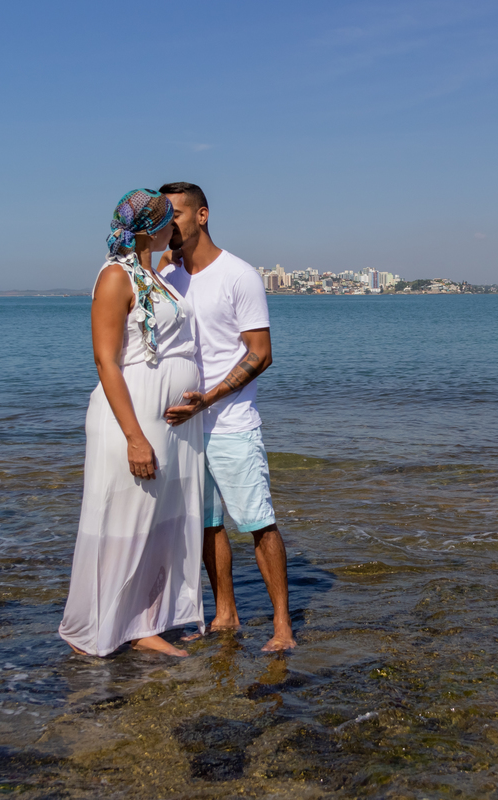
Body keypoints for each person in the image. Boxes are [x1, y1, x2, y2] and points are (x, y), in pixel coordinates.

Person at [58, 189, 205, 658]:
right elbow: (106, 362)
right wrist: (135, 437)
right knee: (121, 520)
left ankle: (141, 622)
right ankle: (96, 630)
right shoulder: (114, 277)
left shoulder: (151, 274)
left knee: (155, 521)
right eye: (167, 222)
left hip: (166, 419)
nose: (173, 229)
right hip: (131, 416)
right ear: (149, 229)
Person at [157, 181, 296, 652]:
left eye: (175, 213)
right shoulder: (169, 275)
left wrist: (210, 398)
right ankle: (226, 614)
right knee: (206, 524)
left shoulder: (239, 275)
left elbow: (261, 353)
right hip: (186, 427)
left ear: (202, 215)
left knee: (258, 522)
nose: (167, 223)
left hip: (232, 422)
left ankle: (282, 627)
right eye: (162, 215)